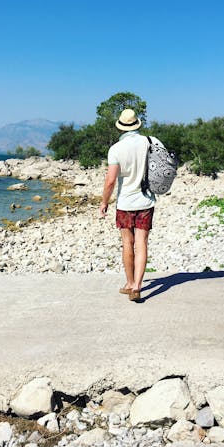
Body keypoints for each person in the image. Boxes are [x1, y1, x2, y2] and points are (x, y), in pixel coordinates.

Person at [99, 108, 162, 303]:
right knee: (142, 243)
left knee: (128, 243)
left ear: (121, 126)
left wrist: (104, 203)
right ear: (137, 124)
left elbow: (110, 181)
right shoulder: (151, 142)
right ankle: (137, 286)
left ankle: (129, 283)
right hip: (146, 200)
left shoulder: (116, 149)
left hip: (125, 203)